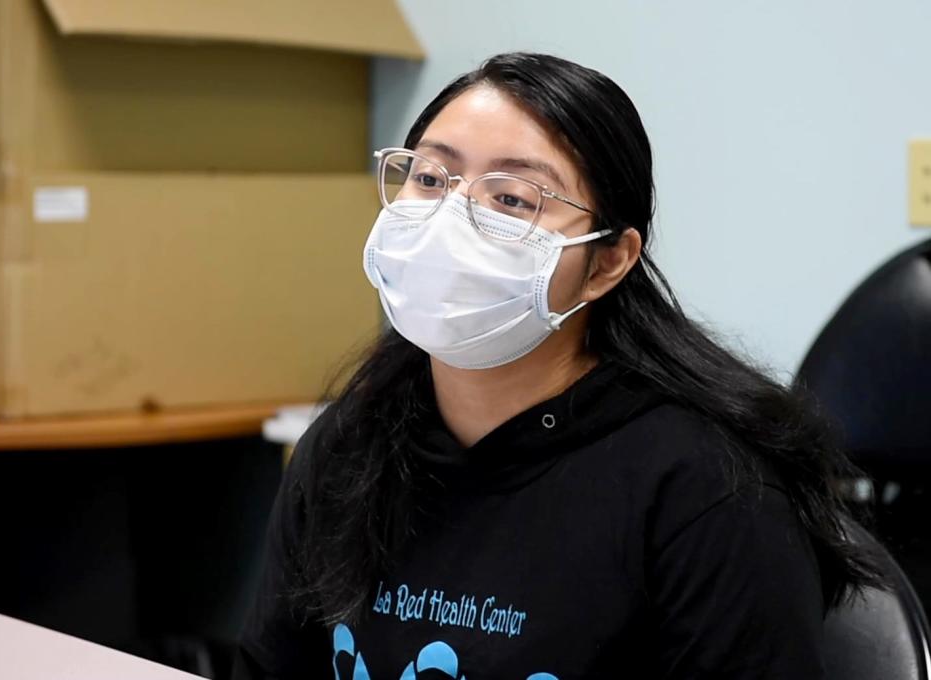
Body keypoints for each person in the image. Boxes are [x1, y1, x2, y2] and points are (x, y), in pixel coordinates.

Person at [234, 52, 880, 679]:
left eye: (512, 199)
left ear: (606, 263)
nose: (449, 222)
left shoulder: (706, 487)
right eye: (430, 178)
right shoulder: (351, 444)